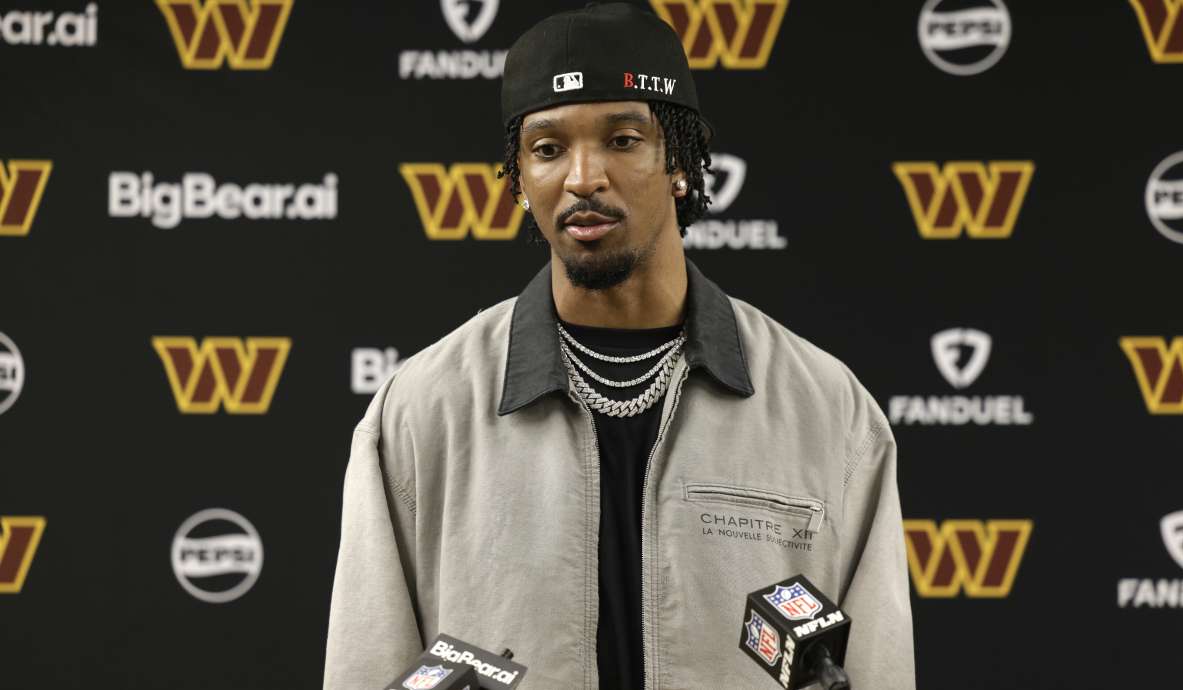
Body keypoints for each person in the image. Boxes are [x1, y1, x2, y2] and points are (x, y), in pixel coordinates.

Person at [324, 4, 914, 689]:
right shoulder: (421, 410)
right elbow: (366, 669)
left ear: (680, 163)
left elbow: (879, 671)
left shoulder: (827, 409)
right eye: (548, 149)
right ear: (518, 178)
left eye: (623, 139)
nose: (583, 177)